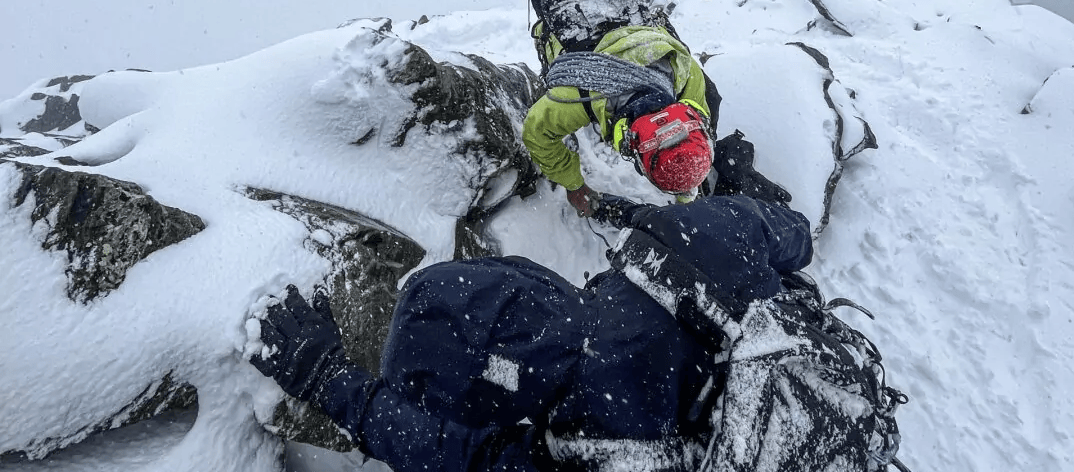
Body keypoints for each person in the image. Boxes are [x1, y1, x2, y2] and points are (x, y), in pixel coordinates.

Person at [244, 193, 908, 471]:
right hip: (846, 404)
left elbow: (448, 453)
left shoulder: (584, 446)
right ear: (526, 277)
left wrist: (325, 377)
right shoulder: (687, 238)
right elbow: (792, 236)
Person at [523, 0, 721, 217]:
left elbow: (683, 141)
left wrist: (686, 186)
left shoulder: (682, 71)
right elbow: (536, 133)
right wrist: (574, 184)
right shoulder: (581, 93)